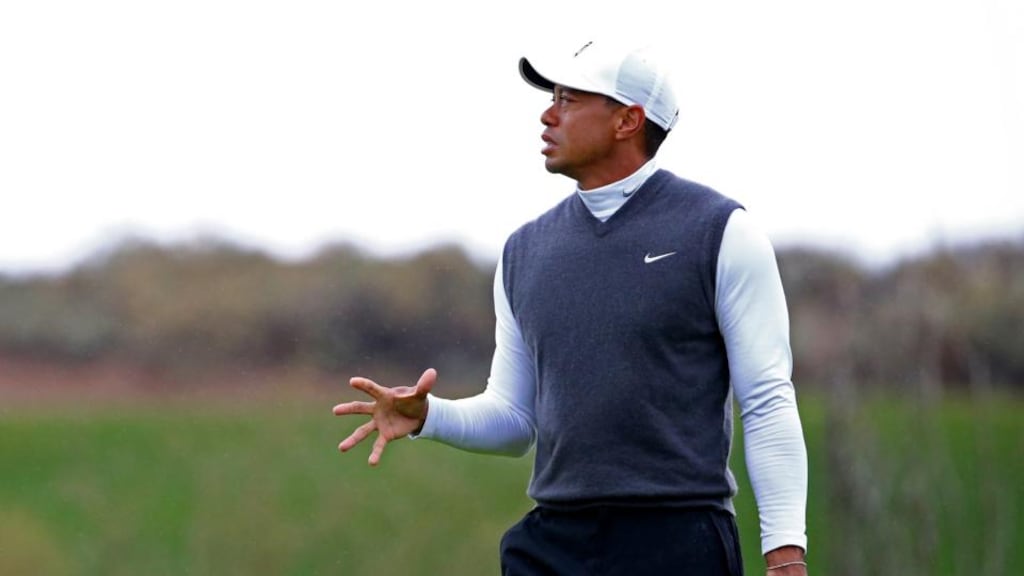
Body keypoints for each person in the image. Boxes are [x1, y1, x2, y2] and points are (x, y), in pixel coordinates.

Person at [333, 39, 808, 576]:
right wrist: (429, 416)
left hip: (678, 539)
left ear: (628, 120)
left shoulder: (721, 232)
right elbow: (515, 420)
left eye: (568, 99)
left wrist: (785, 555)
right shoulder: (523, 251)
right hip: (552, 544)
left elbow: (767, 401)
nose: (547, 114)